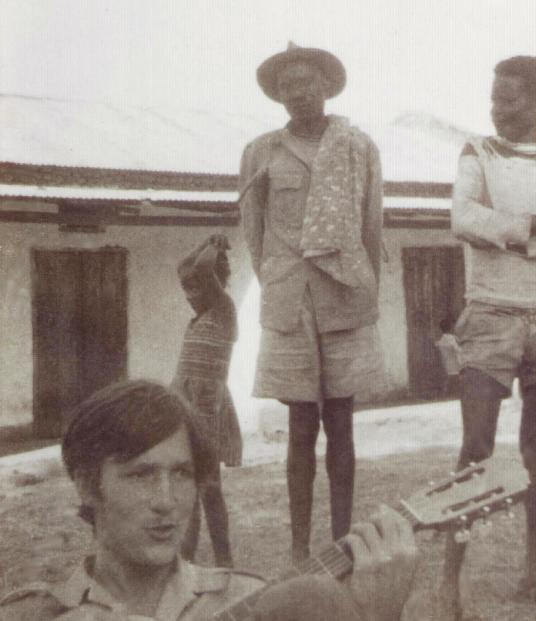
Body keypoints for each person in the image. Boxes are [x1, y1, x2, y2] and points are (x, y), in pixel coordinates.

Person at [0, 380, 418, 620]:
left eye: (181, 474)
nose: (167, 501)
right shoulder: (32, 615)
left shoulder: (250, 604)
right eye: (141, 474)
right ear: (88, 487)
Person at [437, 55, 536, 618]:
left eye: (509, 99)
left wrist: (510, 235)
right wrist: (534, 226)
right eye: (494, 98)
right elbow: (462, 219)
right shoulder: (476, 154)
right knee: (476, 447)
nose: (496, 108)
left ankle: (534, 573)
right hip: (489, 316)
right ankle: (448, 585)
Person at [238, 43, 384, 566]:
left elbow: (371, 226)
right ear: (278, 95)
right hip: (290, 301)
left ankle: (342, 540)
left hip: (342, 295)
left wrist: (359, 287)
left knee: (341, 422)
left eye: (307, 82)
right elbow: (253, 233)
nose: (298, 93)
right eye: (287, 86)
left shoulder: (357, 146)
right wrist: (280, 278)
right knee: (300, 426)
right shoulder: (261, 153)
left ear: (327, 85)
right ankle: (300, 547)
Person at [172, 233, 242, 568]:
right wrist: (203, 242)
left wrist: (214, 245)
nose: (190, 296)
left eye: (197, 288)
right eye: (188, 290)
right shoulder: (196, 320)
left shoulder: (225, 310)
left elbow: (198, 267)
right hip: (184, 406)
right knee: (188, 483)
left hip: (209, 409)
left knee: (210, 486)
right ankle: (187, 557)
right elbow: (184, 266)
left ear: (215, 283)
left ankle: (224, 559)